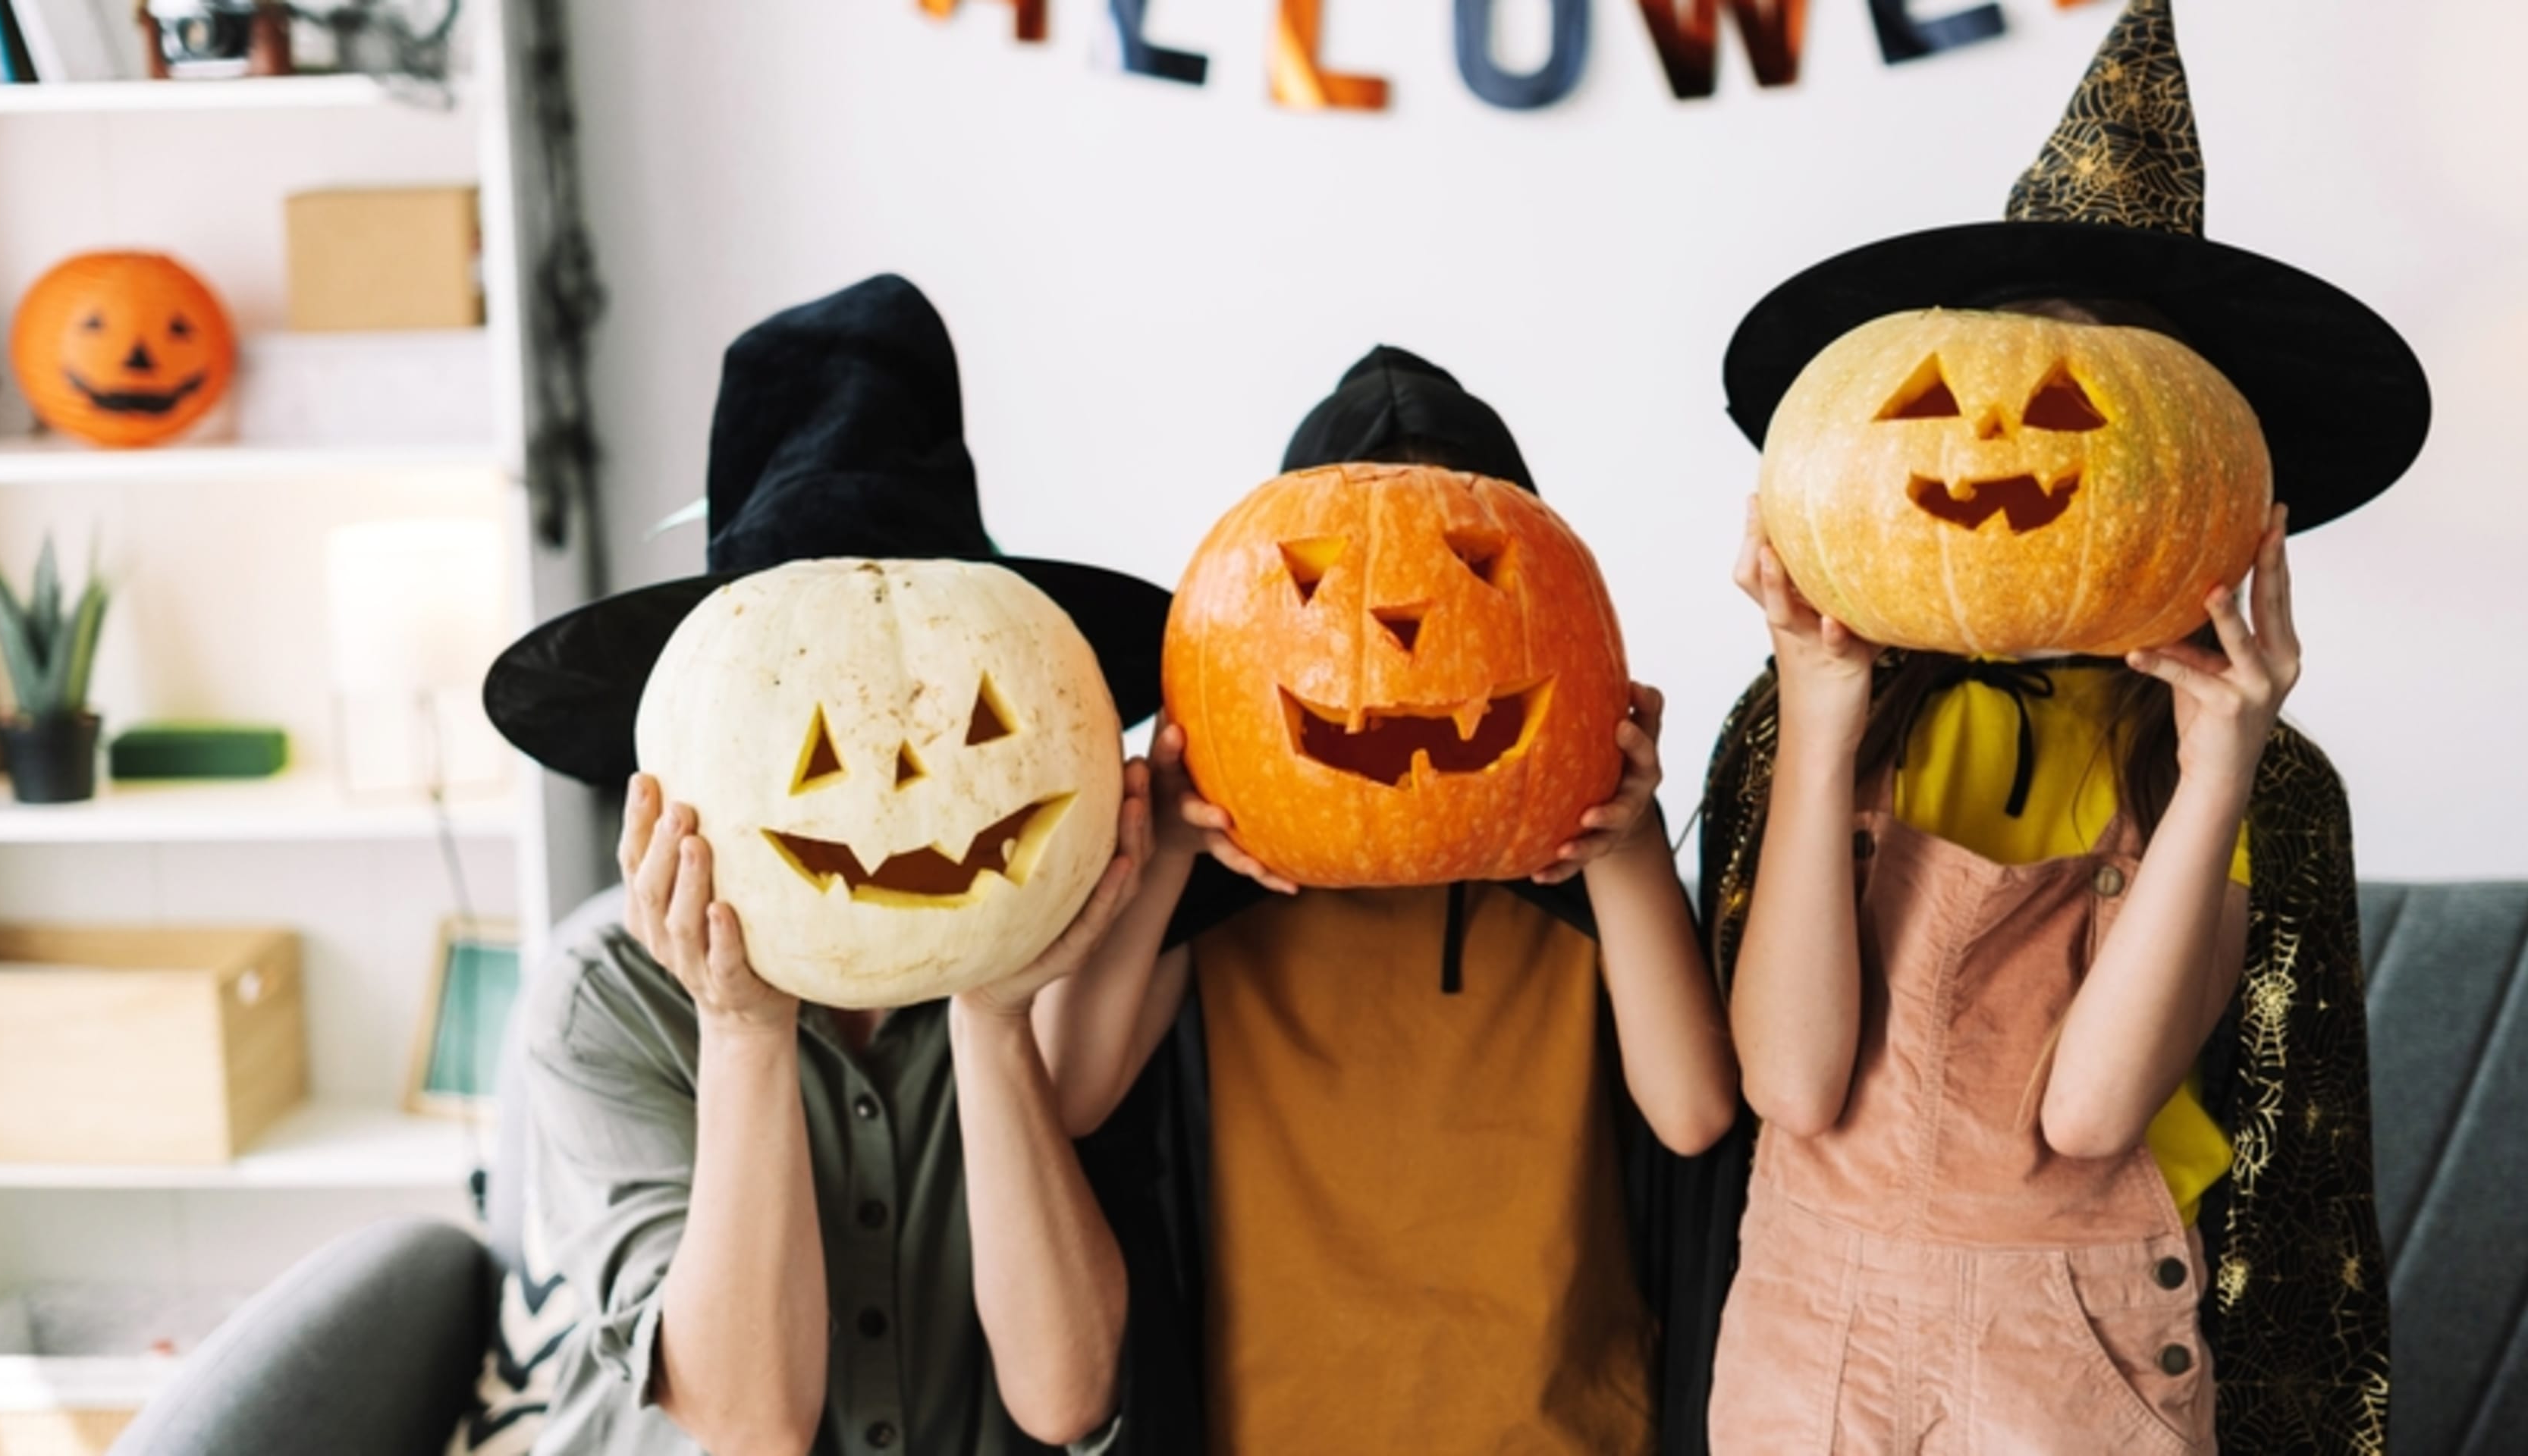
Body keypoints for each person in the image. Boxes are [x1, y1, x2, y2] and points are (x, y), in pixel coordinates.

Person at [1697, 2, 2427, 1452]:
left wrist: (2221, 764)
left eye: (2089, 412)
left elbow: (2089, 1118)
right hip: (1808, 1336)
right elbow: (1786, 1084)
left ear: (2206, 473)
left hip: (2080, 1350)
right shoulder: (1805, 724)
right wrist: (1821, 710)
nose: (1996, 448)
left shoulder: (2249, 777)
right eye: (1941, 401)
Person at [480, 275, 1177, 1456]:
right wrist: (743, 1029)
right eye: (804, 736)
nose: (899, 792)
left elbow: (1068, 1401)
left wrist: (997, 1014)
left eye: (970, 723)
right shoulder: (602, 992)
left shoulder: (1076, 952)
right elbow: (748, 1424)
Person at [1038, 346, 1741, 1456]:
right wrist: (1169, 846)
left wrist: (1626, 830)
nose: (1404, 634)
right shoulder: (1223, 893)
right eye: (1320, 585)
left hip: (1564, 1429)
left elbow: (1695, 1112)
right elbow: (1068, 1096)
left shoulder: (1573, 874)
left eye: (1475, 569)